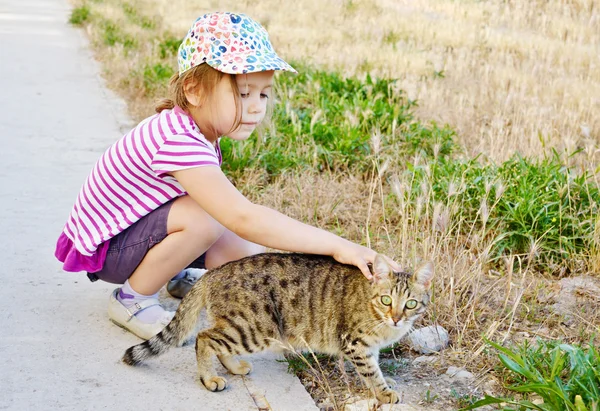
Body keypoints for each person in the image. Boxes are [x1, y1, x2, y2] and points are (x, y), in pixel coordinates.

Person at [55, 11, 400, 340]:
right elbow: (243, 216)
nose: (256, 106)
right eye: (243, 92)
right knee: (208, 218)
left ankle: (181, 279)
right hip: (107, 250)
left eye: (263, 94)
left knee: (241, 251)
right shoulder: (178, 140)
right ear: (194, 89)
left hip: (130, 234)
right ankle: (131, 299)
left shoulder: (194, 129)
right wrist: (339, 247)